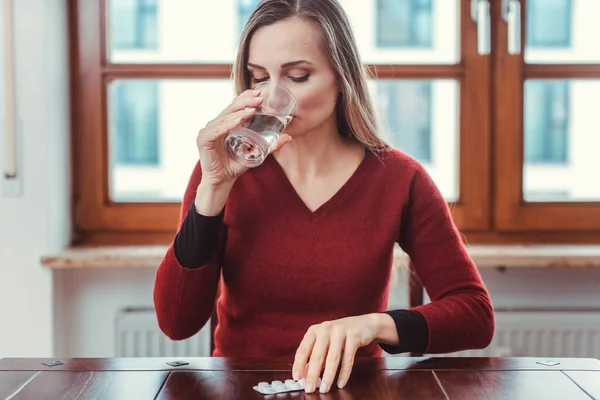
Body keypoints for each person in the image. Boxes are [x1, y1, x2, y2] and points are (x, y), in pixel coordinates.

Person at [153, 0, 494, 394]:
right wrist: (212, 190)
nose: (270, 97)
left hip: (353, 389)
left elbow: (475, 315)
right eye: (258, 77)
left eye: (297, 76)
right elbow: (176, 322)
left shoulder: (400, 178)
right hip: (243, 388)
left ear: (341, 76)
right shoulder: (224, 173)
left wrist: (373, 324)